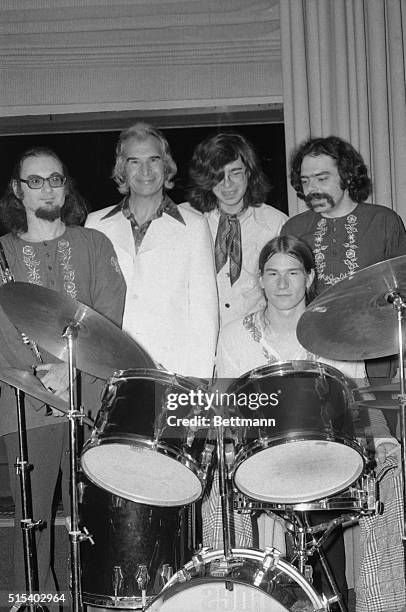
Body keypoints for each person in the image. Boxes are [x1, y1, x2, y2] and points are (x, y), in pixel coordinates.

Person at [213, 236, 403, 611]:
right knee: (216, 483)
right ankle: (240, 597)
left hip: (328, 455)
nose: (282, 283)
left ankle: (382, 603)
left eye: (293, 273)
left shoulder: (338, 330)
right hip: (262, 456)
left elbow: (362, 397)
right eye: (273, 273)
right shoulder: (234, 336)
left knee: (392, 472)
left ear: (309, 277)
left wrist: (384, 440)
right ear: (262, 280)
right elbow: (226, 408)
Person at [0, 147, 126, 600]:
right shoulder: (3, 254)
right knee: (29, 522)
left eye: (54, 179)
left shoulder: (94, 245)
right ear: (17, 189)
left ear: (65, 185)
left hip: (89, 400)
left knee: (90, 518)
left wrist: (71, 370)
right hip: (26, 407)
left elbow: (110, 321)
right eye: (34, 181)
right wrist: (36, 377)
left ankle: (90, 603)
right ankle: (36, 603)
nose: (47, 188)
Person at [85, 122, 218, 378]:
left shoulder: (194, 226)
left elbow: (205, 315)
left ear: (166, 166)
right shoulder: (96, 224)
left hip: (173, 371)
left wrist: (197, 383)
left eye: (154, 160)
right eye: (134, 161)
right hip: (110, 369)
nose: (145, 170)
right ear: (121, 168)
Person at [281, 135, 406, 388]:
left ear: (347, 176)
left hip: (379, 356)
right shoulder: (293, 228)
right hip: (314, 353)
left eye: (322, 178)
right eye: (305, 181)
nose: (311, 189)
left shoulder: (383, 221)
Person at [188, 132, 288, 327]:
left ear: (248, 173)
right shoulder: (187, 221)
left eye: (235, 173)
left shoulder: (276, 224)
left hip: (257, 337)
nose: (227, 184)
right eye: (218, 176)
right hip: (201, 338)